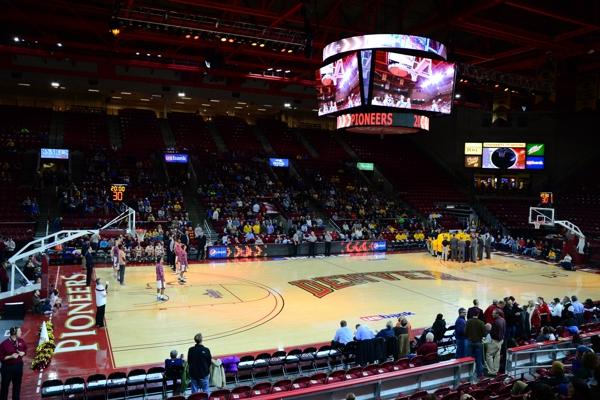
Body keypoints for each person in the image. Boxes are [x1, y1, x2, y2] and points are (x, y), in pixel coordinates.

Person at [0, 326, 27, 400]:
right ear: (14, 333)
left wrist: (23, 353)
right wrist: (11, 356)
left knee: (17, 386)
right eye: (19, 331)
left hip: (18, 367)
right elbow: (1, 357)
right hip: (7, 368)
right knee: (4, 387)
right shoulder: (4, 344)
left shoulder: (21, 341)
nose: (21, 332)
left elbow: (25, 349)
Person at [465, 310, 486, 378]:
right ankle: (479, 375)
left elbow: (465, 332)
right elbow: (484, 334)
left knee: (469, 359)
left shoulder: (468, 322)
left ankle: (469, 374)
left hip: (470, 342)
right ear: (478, 314)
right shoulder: (481, 322)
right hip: (478, 342)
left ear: (472, 314)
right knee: (479, 360)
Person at [486, 309, 505, 376]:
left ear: (497, 314)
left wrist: (489, 330)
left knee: (489, 355)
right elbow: (504, 330)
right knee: (497, 356)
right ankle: (496, 370)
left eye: (493, 313)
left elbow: (493, 333)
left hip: (495, 341)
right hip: (501, 340)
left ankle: (492, 371)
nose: (492, 314)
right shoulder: (503, 320)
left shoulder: (495, 322)